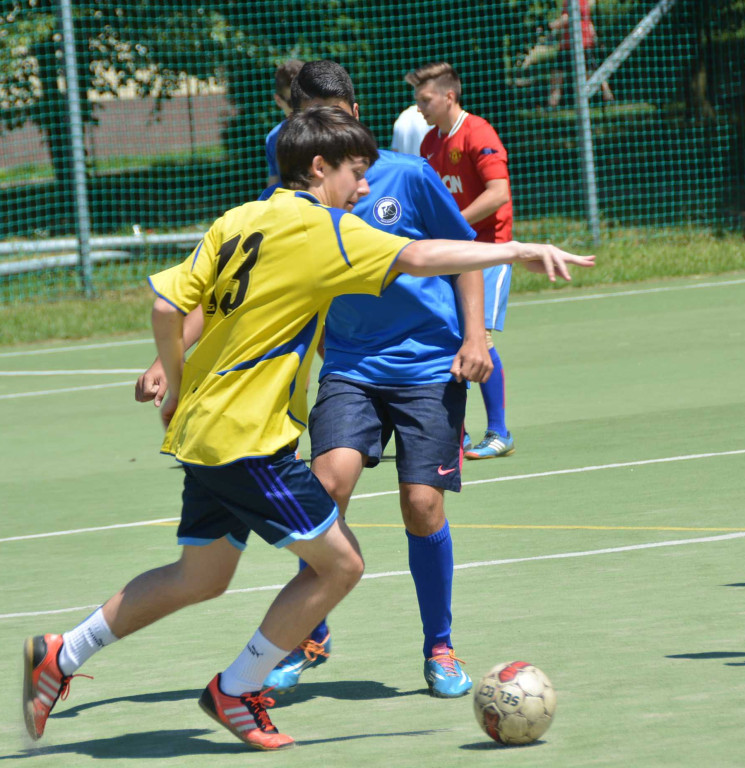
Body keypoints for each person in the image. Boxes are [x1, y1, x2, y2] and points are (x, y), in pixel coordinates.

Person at [25, 105, 594, 750]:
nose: (365, 187)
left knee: (202, 577)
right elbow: (420, 255)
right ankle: (237, 689)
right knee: (342, 566)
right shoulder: (328, 232)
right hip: (249, 440)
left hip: (203, 428)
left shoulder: (239, 217)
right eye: (356, 173)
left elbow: (167, 303)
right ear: (319, 167)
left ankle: (61, 654)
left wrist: (177, 381)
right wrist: (517, 248)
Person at [139, 59, 491, 697]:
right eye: (301, 121)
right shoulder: (295, 175)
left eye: (326, 119)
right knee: (327, 486)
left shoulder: (406, 176)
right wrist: (170, 358)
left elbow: (457, 250)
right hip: (350, 362)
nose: (311, 132)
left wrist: (475, 336)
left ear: (353, 117)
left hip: (424, 363)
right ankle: (311, 630)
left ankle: (438, 644)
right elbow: (240, 271)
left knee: (422, 503)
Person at [407, 62, 516, 460]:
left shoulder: (478, 132)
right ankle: (459, 434)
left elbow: (498, 193)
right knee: (448, 337)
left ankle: (500, 432)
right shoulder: (429, 144)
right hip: (450, 252)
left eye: (425, 99)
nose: (419, 107)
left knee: (479, 338)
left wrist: (452, 225)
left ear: (449, 96)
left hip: (488, 249)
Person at [547, 0, 614, 109]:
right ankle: (552, 103)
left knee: (591, 72)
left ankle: (607, 96)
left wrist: (550, 26)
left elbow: (567, 18)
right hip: (569, 43)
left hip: (580, 42)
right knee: (558, 74)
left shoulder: (577, 1)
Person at [264, 59, 305, 190]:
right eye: (292, 103)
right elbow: (273, 187)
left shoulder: (330, 133)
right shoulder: (273, 139)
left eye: (304, 99)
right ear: (278, 101)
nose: (301, 108)